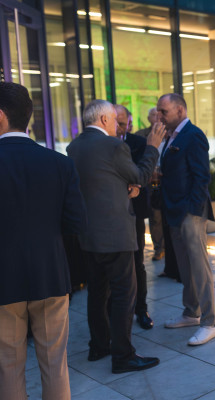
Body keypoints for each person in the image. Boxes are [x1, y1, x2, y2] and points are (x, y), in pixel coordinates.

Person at [0, 82, 86, 400]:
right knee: (55, 365)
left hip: (4, 281)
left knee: (8, 366)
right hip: (50, 275)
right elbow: (77, 223)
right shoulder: (59, 163)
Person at [67, 99, 164, 374]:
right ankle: (123, 356)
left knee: (97, 293)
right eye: (114, 119)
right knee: (123, 294)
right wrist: (153, 147)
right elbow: (141, 175)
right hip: (115, 235)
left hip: (88, 236)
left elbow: (98, 182)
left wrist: (125, 186)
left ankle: (99, 346)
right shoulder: (113, 146)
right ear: (104, 120)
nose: (117, 126)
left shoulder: (74, 147)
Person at [158, 93, 215, 346]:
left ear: (180, 110)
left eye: (164, 111)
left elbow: (201, 176)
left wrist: (192, 211)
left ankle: (209, 322)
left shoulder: (193, 135)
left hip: (189, 212)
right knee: (184, 266)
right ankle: (191, 312)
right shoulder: (170, 136)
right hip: (174, 211)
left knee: (199, 267)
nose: (159, 116)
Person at [116, 105, 154, 330]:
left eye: (123, 123)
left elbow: (142, 174)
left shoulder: (139, 143)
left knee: (138, 262)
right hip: (112, 213)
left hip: (134, 211)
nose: (120, 128)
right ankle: (119, 313)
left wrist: (137, 185)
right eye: (117, 123)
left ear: (129, 123)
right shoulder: (105, 144)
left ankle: (141, 308)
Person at [135, 107, 165, 261]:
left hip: (167, 179)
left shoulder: (170, 132)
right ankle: (159, 248)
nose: (157, 117)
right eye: (153, 115)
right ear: (148, 118)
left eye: (159, 114)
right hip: (151, 180)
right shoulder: (141, 135)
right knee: (155, 215)